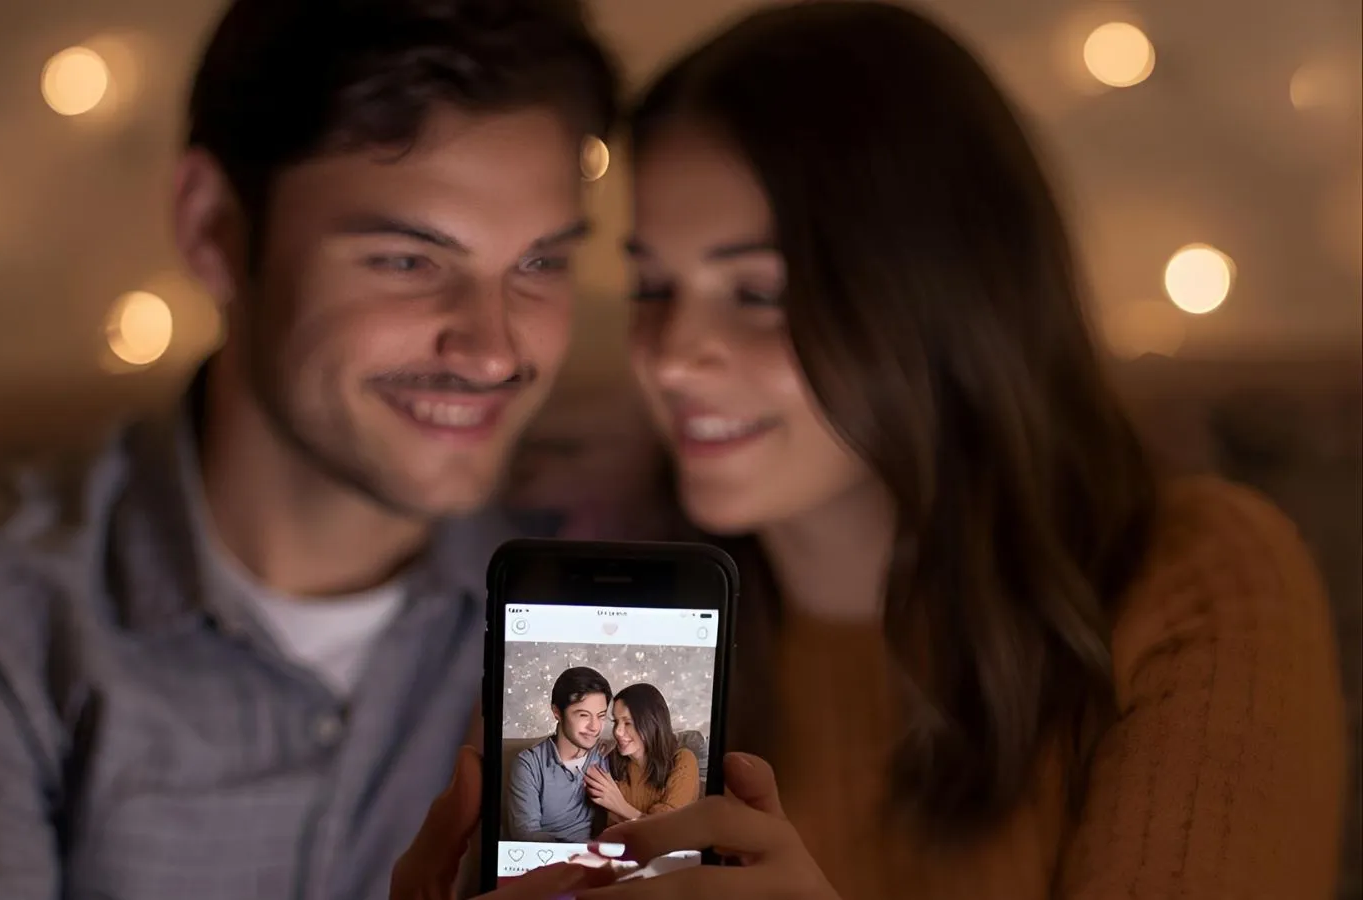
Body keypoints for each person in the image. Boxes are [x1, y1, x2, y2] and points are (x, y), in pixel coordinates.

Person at [398, 3, 1348, 899]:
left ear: (932, 301)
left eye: (758, 293)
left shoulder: (1195, 578)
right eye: (651, 286)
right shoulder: (624, 603)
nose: (673, 354)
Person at [0, 1, 617, 898]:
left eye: (539, 264)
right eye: (408, 261)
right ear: (214, 230)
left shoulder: (609, 580)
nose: (497, 350)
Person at [507, 667, 613, 843]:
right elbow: (525, 834)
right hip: (548, 860)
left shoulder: (606, 755)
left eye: (600, 716)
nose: (595, 727)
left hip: (595, 859)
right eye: (583, 715)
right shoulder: (529, 764)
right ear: (557, 712)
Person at [585, 683, 699, 827]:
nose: (617, 732)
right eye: (616, 722)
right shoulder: (611, 761)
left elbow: (669, 829)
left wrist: (620, 806)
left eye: (628, 723)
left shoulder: (682, 761)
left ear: (651, 723)